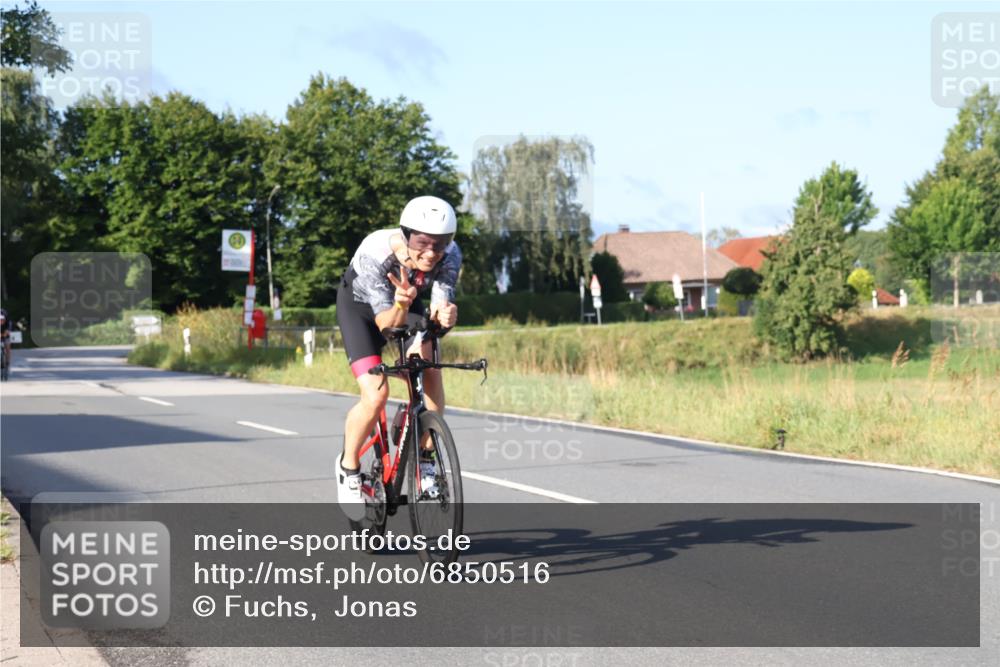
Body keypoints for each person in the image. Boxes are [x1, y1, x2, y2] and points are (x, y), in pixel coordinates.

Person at [335, 196, 461, 519]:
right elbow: (386, 325)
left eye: (441, 244)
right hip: (362, 310)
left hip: (408, 304)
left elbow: (436, 310)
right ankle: (348, 468)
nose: (432, 253)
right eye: (423, 243)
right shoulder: (376, 254)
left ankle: (427, 460)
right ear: (407, 235)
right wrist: (402, 305)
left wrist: (444, 319)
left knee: (429, 369)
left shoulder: (451, 256)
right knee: (376, 393)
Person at [0, 308, 11, 376]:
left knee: (7, 347)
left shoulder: (5, 315)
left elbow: (9, 326)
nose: (1, 321)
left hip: (5, 332)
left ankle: (7, 362)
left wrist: (7, 332)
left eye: (2, 320)